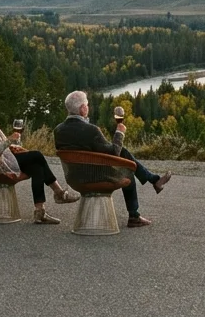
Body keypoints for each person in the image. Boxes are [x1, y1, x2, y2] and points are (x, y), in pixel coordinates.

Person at [53, 91, 172, 228]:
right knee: (127, 170)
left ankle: (154, 180)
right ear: (82, 108)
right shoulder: (91, 130)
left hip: (74, 178)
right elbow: (114, 152)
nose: (88, 107)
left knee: (125, 153)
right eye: (87, 104)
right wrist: (119, 132)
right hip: (95, 177)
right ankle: (134, 215)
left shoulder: (58, 130)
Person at [0, 91, 79, 224]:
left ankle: (40, 211)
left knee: (37, 167)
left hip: (6, 157)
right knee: (37, 156)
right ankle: (59, 193)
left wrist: (11, 147)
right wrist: (9, 141)